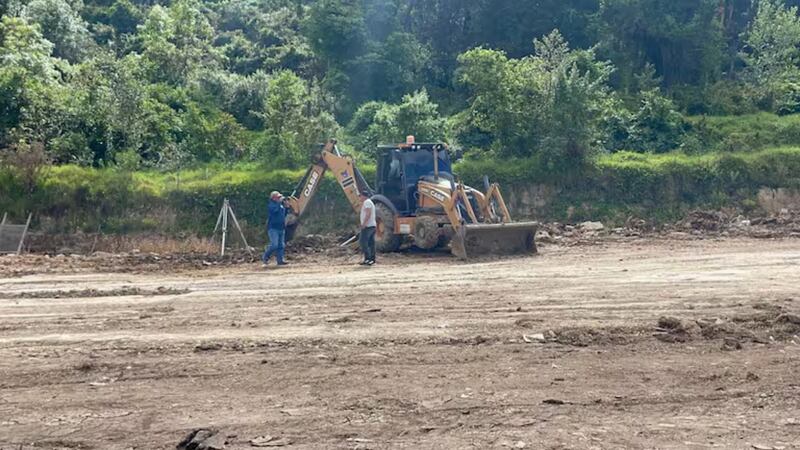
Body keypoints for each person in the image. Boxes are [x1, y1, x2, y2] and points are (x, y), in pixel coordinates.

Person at [262, 191, 288, 266]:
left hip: (281, 228)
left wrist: (287, 207)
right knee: (274, 244)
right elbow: (275, 211)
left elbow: (284, 214)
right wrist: (279, 203)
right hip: (273, 228)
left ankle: (280, 260)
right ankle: (265, 257)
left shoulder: (281, 206)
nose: (280, 198)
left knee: (281, 245)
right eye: (278, 197)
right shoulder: (271, 205)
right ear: (273, 198)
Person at [358, 191, 377, 266]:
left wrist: (364, 224)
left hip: (368, 226)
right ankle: (372, 259)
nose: (359, 198)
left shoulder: (367, 202)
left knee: (363, 242)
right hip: (372, 225)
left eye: (360, 196)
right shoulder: (370, 202)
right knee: (371, 243)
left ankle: (368, 259)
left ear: (363, 196)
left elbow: (368, 213)